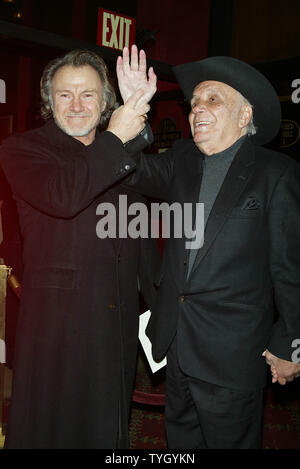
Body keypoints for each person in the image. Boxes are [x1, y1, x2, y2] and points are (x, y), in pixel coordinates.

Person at [117, 47, 300, 449]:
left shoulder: (276, 173)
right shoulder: (182, 158)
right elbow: (132, 172)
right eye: (194, 101)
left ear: (244, 114)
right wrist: (133, 108)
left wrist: (291, 342)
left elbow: (290, 268)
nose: (197, 108)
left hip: (233, 355)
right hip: (177, 346)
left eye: (212, 99)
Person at [0, 49, 158, 449]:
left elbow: (137, 230)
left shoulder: (120, 154)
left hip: (118, 316)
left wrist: (161, 307)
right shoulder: (22, 149)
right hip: (58, 325)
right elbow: (65, 195)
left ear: (105, 102)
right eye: (63, 95)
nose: (75, 105)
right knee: (56, 428)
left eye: (88, 95)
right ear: (47, 102)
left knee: (107, 427)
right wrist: (116, 135)